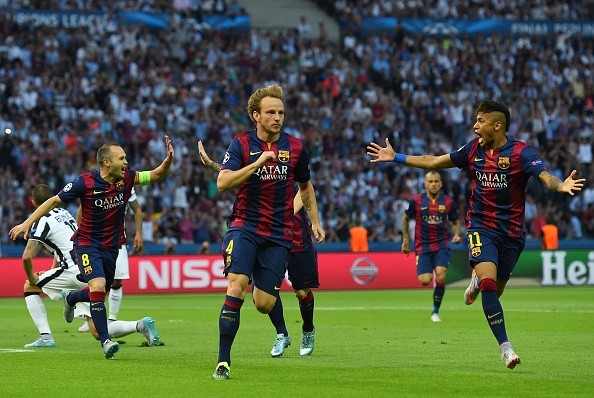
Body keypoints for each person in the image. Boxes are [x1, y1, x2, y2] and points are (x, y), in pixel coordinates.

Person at [367, 100, 585, 369]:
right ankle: (505, 347)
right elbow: (434, 161)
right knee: (490, 285)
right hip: (481, 227)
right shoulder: (472, 150)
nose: (474, 126)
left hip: (513, 234)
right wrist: (396, 157)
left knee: (496, 288)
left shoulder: (520, 152)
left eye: (480, 121)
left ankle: (476, 282)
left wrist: (560, 185)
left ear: (497, 125)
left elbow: (543, 176)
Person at [10, 136, 174, 359]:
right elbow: (52, 201)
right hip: (87, 245)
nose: (126, 162)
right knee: (97, 285)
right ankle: (106, 342)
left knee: (100, 291)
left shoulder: (126, 177)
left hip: (112, 246)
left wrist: (168, 160)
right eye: (121, 158)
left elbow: (155, 175)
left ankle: (71, 298)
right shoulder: (84, 183)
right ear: (106, 162)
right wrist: (26, 223)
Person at [205, 84, 325, 380]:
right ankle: (223, 362)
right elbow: (223, 182)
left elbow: (305, 186)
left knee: (263, 303)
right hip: (244, 226)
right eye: (271, 112)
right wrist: (257, 163)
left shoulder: (296, 147)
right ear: (256, 116)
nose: (277, 117)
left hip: (278, 234)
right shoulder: (241, 144)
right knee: (236, 285)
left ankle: (294, 328)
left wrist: (315, 220)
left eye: (281, 112)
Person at [199, 141, 320, 360]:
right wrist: (216, 166)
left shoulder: (292, 159)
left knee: (301, 291)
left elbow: (305, 189)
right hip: (264, 231)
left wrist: (310, 221)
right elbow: (239, 176)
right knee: (264, 293)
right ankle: (282, 332)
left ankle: (308, 329)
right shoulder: (255, 158)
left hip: (293, 231)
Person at [21, 184, 160, 348]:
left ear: (33, 202)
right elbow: (63, 248)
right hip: (88, 268)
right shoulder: (64, 214)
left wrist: (32, 279)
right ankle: (140, 325)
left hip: (72, 270)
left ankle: (46, 337)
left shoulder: (42, 220)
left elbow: (26, 257)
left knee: (29, 287)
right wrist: (53, 271)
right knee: (96, 330)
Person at [78, 187, 144, 333]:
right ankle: (90, 318)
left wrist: (139, 233)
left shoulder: (126, 185)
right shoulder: (94, 185)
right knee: (95, 281)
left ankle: (111, 319)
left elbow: (137, 210)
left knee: (116, 281)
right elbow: (82, 211)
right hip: (93, 242)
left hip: (117, 240)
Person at [401, 171, 462, 323]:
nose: (433, 184)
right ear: (425, 184)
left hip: (442, 244)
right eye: (430, 181)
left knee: (441, 274)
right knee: (425, 280)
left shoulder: (448, 202)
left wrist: (456, 234)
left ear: (441, 183)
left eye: (436, 181)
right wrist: (406, 240)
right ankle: (431, 279)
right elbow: (405, 218)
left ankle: (435, 311)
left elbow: (455, 220)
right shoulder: (416, 201)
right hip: (423, 246)